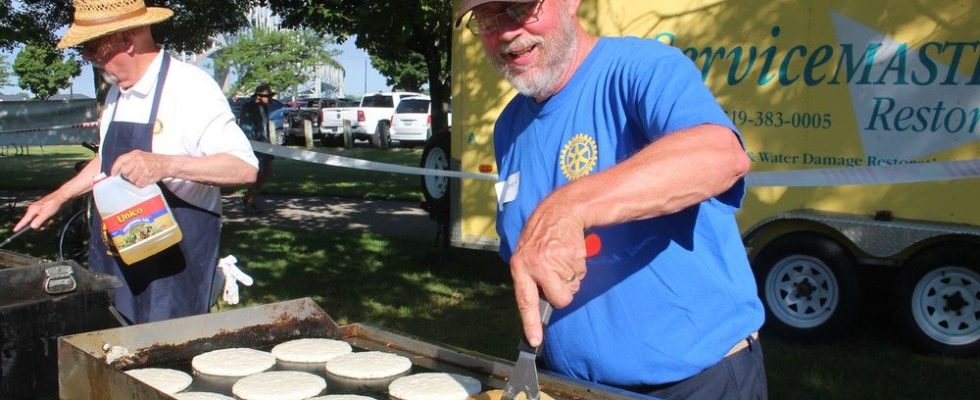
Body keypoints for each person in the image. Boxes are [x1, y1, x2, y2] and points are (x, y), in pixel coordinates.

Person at [455, 1, 768, 399]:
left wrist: (568, 206)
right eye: (487, 19)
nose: (506, 32)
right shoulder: (509, 128)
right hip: (568, 385)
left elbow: (720, 156)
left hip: (695, 384)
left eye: (519, 8)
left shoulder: (642, 68)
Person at [15, 0, 258, 324]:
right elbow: (107, 162)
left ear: (127, 40)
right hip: (117, 260)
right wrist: (57, 197)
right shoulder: (118, 94)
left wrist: (166, 165)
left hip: (173, 271)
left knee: (166, 364)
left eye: (91, 46)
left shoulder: (189, 88)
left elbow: (244, 167)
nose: (87, 56)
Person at [238, 83, 277, 214]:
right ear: (259, 96)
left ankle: (247, 198)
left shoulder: (264, 108)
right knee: (256, 174)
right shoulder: (248, 108)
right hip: (253, 146)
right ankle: (250, 202)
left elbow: (265, 128)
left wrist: (270, 145)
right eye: (268, 96)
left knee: (267, 173)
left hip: (264, 145)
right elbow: (245, 128)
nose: (270, 99)